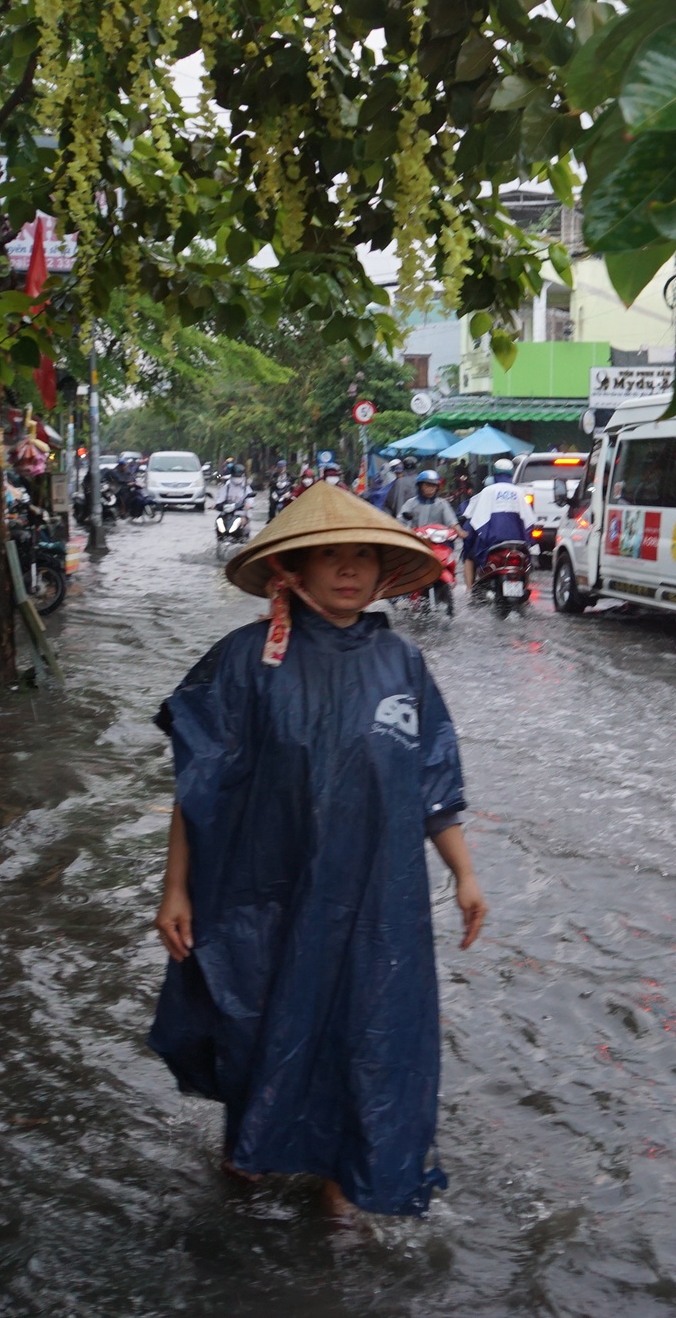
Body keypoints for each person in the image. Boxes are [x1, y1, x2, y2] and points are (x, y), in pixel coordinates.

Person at [150, 483, 489, 1223]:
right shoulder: (247, 661)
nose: (348, 569)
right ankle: (249, 1155)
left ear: (382, 571)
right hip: (262, 890)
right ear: (292, 570)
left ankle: (346, 1186)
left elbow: (435, 783)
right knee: (258, 1019)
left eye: (362, 556)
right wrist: (175, 888)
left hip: (377, 899)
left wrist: (463, 874)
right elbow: (198, 784)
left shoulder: (402, 663)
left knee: (368, 1031)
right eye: (329, 555)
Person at [460, 458, 536, 592]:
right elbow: (529, 520)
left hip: (491, 541)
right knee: (527, 561)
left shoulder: (488, 491)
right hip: (518, 542)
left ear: (494, 474)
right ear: (511, 474)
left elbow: (473, 516)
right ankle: (525, 587)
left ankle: (469, 590)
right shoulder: (519, 492)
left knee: (468, 556)